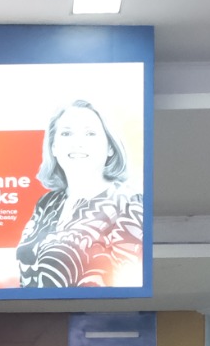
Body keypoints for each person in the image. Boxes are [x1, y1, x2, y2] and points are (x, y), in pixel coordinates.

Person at [13, 99, 144, 288]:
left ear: (110, 147)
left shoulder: (130, 203)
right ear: (53, 147)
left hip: (96, 316)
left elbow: (129, 284)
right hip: (37, 315)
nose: (77, 143)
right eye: (66, 133)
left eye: (90, 133)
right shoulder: (46, 203)